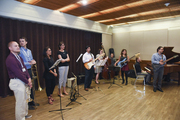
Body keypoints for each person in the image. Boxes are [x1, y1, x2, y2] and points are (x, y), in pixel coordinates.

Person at [6, 41, 32, 120]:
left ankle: (24, 114)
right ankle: (20, 118)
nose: (18, 47)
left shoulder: (19, 57)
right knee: (20, 102)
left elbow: (25, 69)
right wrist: (27, 81)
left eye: (18, 45)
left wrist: (29, 78)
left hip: (23, 80)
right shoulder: (10, 59)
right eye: (15, 46)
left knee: (25, 100)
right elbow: (18, 73)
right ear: (10, 48)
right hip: (17, 81)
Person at [19, 37, 39, 110]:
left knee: (31, 86)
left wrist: (33, 62)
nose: (21, 43)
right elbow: (20, 62)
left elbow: (31, 59)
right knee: (26, 87)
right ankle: (27, 104)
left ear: (26, 42)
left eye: (23, 41)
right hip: (24, 71)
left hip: (29, 69)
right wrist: (29, 63)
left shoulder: (29, 51)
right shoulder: (19, 51)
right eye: (20, 41)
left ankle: (32, 101)